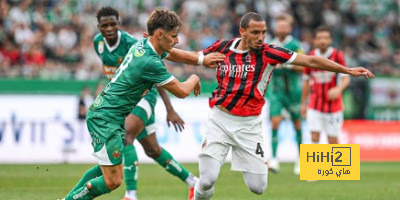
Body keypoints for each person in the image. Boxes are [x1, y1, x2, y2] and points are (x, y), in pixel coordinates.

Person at [194, 12, 374, 199]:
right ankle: (291, 163)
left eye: (263, 32)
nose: (261, 36)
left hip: (316, 103)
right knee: (289, 127)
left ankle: (316, 166)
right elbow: (307, 76)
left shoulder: (294, 48)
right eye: (256, 32)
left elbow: (309, 64)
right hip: (284, 100)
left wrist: (347, 72)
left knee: (260, 186)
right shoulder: (227, 46)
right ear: (242, 31)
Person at [62, 8, 223, 200]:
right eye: (174, 36)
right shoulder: (149, 62)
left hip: (108, 115)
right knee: (112, 181)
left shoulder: (144, 44)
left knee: (111, 168)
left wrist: (201, 59)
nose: (177, 40)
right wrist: (195, 77)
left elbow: (173, 54)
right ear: (160, 34)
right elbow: (181, 91)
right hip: (106, 119)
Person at [267, 14, 304, 175]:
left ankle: (300, 159)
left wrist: (286, 65)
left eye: (285, 26)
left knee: (297, 124)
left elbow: (303, 67)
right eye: (279, 26)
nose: (282, 28)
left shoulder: (296, 45)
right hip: (276, 91)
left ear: (290, 28)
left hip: (293, 91)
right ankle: (274, 159)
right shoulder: (270, 45)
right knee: (275, 122)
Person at [300, 26, 350, 145]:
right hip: (314, 105)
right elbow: (306, 81)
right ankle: (316, 165)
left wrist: (338, 89)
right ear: (314, 40)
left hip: (334, 106)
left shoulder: (338, 56)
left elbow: (346, 78)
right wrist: (303, 103)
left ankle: (336, 164)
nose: (322, 41)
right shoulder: (310, 57)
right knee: (314, 137)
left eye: (325, 38)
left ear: (330, 40)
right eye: (319, 38)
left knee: (333, 140)